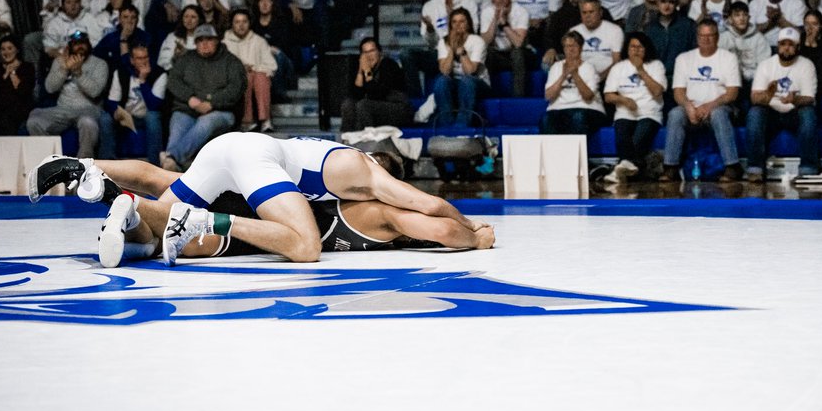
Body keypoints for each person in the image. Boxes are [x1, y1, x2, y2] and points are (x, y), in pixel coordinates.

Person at [27, 137, 494, 269]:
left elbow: (154, 175)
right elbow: (431, 209)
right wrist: (475, 233)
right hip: (255, 163)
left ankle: (94, 177)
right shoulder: (366, 172)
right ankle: (201, 221)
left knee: (159, 207)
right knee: (305, 247)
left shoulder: (335, 162)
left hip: (227, 149)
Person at [660, 19, 742, 182]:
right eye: (702, 35)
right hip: (692, 107)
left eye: (710, 35)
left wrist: (710, 106)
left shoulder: (728, 58)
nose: (706, 39)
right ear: (697, 37)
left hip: (721, 106)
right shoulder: (684, 58)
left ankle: (732, 166)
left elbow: (732, 93)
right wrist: (688, 107)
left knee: (718, 114)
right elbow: (678, 92)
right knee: (675, 114)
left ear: (717, 37)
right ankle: (671, 167)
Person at [162, 24, 246, 172]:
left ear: (217, 40)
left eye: (209, 39)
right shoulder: (186, 59)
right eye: (200, 40)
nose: (204, 43)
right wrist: (190, 98)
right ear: (195, 43)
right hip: (188, 108)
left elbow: (235, 89)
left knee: (206, 122)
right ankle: (171, 166)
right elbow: (173, 82)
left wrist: (212, 103)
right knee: (177, 126)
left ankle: (172, 157)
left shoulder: (231, 61)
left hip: (221, 111)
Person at [745, 27, 820, 181]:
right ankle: (755, 168)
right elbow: (754, 98)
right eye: (783, 44)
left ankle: (808, 168)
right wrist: (768, 94)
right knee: (754, 112)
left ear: (798, 47)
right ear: (777, 46)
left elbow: (810, 98)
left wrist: (795, 100)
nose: (786, 48)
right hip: (771, 111)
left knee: (808, 113)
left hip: (795, 111)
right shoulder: (766, 65)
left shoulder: (806, 65)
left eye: (791, 45)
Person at [26, 29, 108, 159]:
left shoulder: (99, 64)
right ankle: (52, 162)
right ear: (70, 46)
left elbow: (95, 92)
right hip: (63, 109)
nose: (80, 46)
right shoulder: (60, 61)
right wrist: (64, 69)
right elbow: (50, 88)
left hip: (89, 109)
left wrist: (78, 73)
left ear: (89, 45)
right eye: (76, 44)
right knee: (34, 121)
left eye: (83, 43)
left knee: (88, 123)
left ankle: (84, 163)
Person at [602, 31, 667, 183]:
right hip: (625, 113)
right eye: (633, 47)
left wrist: (641, 70)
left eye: (640, 47)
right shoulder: (618, 68)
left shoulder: (656, 65)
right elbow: (608, 96)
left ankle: (619, 170)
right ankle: (629, 169)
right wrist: (623, 100)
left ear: (646, 49)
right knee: (622, 136)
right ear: (627, 48)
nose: (636, 50)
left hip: (649, 113)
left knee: (638, 140)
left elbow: (657, 91)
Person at [98, 42, 166, 164]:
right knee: (105, 118)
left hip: (146, 116)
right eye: (139, 58)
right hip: (126, 116)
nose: (143, 61)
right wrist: (116, 112)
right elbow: (112, 101)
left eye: (145, 57)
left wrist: (143, 81)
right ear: (132, 60)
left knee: (152, 116)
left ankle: (154, 163)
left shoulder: (159, 74)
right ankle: (107, 163)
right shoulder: (121, 72)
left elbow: (154, 105)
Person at [541, 31, 607, 136]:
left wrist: (575, 74)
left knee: (578, 117)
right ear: (563, 49)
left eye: (574, 46)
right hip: (559, 109)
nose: (570, 49)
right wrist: (563, 76)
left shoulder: (589, 68)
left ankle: (576, 147)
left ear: (580, 48)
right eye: (567, 46)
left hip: (586, 109)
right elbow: (548, 96)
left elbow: (588, 96)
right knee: (546, 119)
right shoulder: (556, 67)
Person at [432, 7, 489, 128]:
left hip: (478, 83)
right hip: (455, 82)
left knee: (466, 81)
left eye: (462, 21)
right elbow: (445, 71)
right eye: (454, 22)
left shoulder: (477, 41)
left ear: (468, 24)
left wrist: (461, 51)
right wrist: (451, 51)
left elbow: (470, 71)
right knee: (441, 81)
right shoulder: (443, 42)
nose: (457, 25)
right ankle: (446, 127)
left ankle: (461, 127)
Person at [341, 37, 413, 132]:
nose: (369, 55)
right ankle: (347, 138)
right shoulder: (363, 68)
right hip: (376, 108)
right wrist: (360, 72)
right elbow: (355, 95)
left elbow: (379, 94)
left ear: (380, 52)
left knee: (364, 105)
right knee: (348, 104)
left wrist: (367, 72)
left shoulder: (389, 64)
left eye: (372, 51)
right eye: (365, 52)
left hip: (398, 108)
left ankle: (367, 138)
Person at [224, 9, 278, 133]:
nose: (241, 25)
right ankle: (247, 121)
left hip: (258, 78)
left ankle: (265, 120)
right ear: (232, 24)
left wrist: (253, 69)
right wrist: (241, 68)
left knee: (260, 77)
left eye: (244, 21)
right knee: (246, 77)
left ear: (249, 23)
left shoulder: (259, 41)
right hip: (234, 81)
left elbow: (272, 65)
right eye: (237, 22)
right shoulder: (225, 43)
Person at [479, 0, 534, 97]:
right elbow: (485, 42)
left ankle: (518, 99)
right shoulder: (487, 12)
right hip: (498, 55)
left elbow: (518, 43)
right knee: (486, 53)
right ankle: (488, 96)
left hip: (521, 54)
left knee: (517, 53)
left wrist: (504, 23)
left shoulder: (521, 12)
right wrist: (495, 19)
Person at [0, 35, 35, 135]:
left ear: (17, 50)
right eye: (3, 49)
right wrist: (5, 74)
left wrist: (13, 73)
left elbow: (23, 91)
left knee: (7, 119)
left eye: (10, 48)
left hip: (20, 109)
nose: (6, 52)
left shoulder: (27, 67)